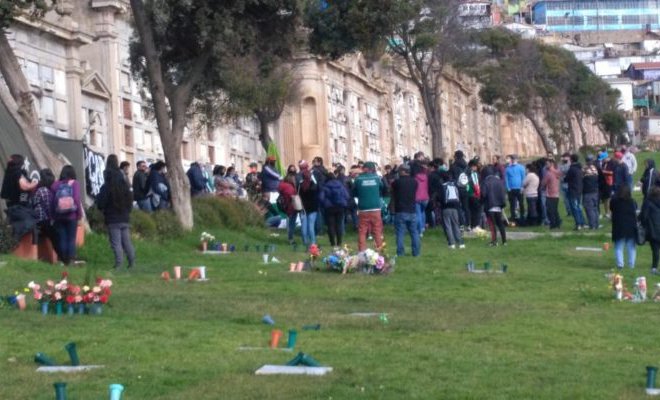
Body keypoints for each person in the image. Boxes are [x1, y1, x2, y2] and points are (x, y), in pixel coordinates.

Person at [97, 156, 136, 269]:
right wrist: (128, 210)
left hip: (112, 217)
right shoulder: (124, 184)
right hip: (124, 216)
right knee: (126, 241)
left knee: (116, 242)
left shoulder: (107, 186)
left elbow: (101, 202)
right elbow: (130, 198)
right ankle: (132, 262)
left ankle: (119, 264)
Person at [51, 165, 83, 265]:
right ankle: (71, 260)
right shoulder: (75, 184)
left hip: (59, 216)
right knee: (71, 238)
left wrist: (53, 215)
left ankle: (63, 259)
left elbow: (52, 202)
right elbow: (77, 199)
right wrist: (79, 213)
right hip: (71, 215)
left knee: (62, 237)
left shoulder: (55, 185)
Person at [353, 162, 384, 251]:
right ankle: (380, 251)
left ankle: (362, 251)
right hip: (375, 207)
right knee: (377, 230)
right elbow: (382, 188)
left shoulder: (358, 179)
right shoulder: (377, 178)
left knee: (362, 231)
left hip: (363, 208)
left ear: (364, 168)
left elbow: (354, 192)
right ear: (372, 169)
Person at [390, 164, 420, 256]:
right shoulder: (415, 182)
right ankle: (416, 253)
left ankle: (400, 253)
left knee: (400, 233)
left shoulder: (397, 182)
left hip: (400, 210)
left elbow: (391, 191)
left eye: (399, 170)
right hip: (412, 210)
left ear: (403, 171)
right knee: (414, 233)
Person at [319, 171, 350, 247]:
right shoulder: (341, 185)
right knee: (339, 225)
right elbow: (347, 196)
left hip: (329, 208)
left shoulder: (325, 186)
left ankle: (332, 243)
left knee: (331, 225)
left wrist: (324, 204)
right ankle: (339, 242)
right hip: (340, 207)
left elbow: (321, 198)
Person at [610, 185, 637, 270]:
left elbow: (611, 209)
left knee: (618, 247)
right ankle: (631, 265)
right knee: (631, 247)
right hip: (631, 227)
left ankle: (620, 264)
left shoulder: (614, 201)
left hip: (619, 227)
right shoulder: (632, 202)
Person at [481, 166, 507, 247]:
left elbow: (484, 194)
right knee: (500, 224)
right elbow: (503, 193)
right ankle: (504, 241)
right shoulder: (499, 181)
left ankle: (494, 241)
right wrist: (502, 204)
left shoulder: (485, 182)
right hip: (498, 206)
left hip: (490, 205)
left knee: (492, 225)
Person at [33, 168, 57, 254]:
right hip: (43, 220)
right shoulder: (44, 190)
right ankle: (62, 257)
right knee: (56, 234)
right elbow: (48, 208)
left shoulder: (37, 189)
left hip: (37, 219)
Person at [439, 170, 465, 249]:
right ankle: (461, 243)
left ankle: (451, 243)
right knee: (456, 225)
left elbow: (440, 198)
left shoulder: (442, 186)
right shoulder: (454, 185)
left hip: (445, 208)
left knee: (448, 226)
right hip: (455, 207)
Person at [298, 160, 319, 246]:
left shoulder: (301, 185)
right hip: (313, 207)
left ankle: (305, 241)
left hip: (303, 207)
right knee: (311, 225)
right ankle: (313, 242)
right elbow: (316, 194)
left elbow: (298, 195)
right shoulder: (313, 185)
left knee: (304, 225)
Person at [640, 186, 660, 274]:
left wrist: (642, 223)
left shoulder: (647, 202)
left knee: (655, 249)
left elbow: (644, 216)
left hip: (653, 228)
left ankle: (654, 267)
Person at [450, 150, 470, 229]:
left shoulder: (453, 166)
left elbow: (451, 177)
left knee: (458, 207)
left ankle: (461, 224)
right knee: (466, 207)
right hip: (465, 188)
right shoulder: (466, 166)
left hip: (457, 188)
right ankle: (468, 224)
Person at [565, 154, 586, 230]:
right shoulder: (579, 168)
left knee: (574, 207)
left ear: (571, 160)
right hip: (579, 189)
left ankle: (578, 224)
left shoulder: (572, 169)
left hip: (573, 190)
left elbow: (566, 179)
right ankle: (582, 222)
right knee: (579, 207)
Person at [278, 173, 298, 245]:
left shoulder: (282, 186)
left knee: (289, 223)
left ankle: (290, 237)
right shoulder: (290, 188)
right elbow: (292, 196)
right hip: (291, 207)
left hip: (286, 206)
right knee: (291, 224)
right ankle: (291, 239)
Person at [541, 159, 561, 229]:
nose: (546, 165)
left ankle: (553, 224)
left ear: (551, 164)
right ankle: (557, 223)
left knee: (550, 210)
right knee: (555, 210)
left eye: (547, 164)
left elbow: (543, 183)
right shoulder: (557, 172)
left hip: (550, 194)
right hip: (557, 193)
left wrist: (541, 187)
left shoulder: (548, 173)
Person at [505, 154, 526, 222]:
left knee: (521, 203)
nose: (513, 160)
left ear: (517, 159)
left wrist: (522, 187)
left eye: (514, 159)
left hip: (519, 188)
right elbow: (506, 179)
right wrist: (508, 188)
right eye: (512, 159)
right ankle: (513, 217)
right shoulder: (507, 168)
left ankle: (522, 216)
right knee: (512, 204)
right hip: (511, 189)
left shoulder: (521, 167)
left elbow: (523, 177)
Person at [582, 157, 600, 230]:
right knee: (595, 208)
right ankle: (596, 224)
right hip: (595, 191)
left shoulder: (585, 169)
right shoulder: (595, 169)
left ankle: (592, 225)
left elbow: (581, 178)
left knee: (589, 209)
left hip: (588, 191)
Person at [414, 161, 430, 236]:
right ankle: (423, 227)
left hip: (417, 198)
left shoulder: (415, 178)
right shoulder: (426, 177)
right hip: (425, 197)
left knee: (418, 214)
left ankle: (420, 230)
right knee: (422, 212)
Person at [600, 153, 614, 219]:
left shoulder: (612, 163)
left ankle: (610, 212)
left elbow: (612, 172)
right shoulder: (603, 163)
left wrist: (604, 172)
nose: (602, 160)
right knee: (605, 198)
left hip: (610, 182)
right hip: (604, 183)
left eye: (603, 159)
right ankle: (606, 212)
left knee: (609, 198)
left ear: (606, 158)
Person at [559, 152, 572, 218]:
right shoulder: (560, 165)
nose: (564, 158)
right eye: (563, 157)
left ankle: (572, 211)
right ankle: (569, 212)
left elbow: (567, 171)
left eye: (565, 157)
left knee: (571, 198)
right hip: (562, 184)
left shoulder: (571, 165)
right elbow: (559, 172)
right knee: (565, 200)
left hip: (569, 184)